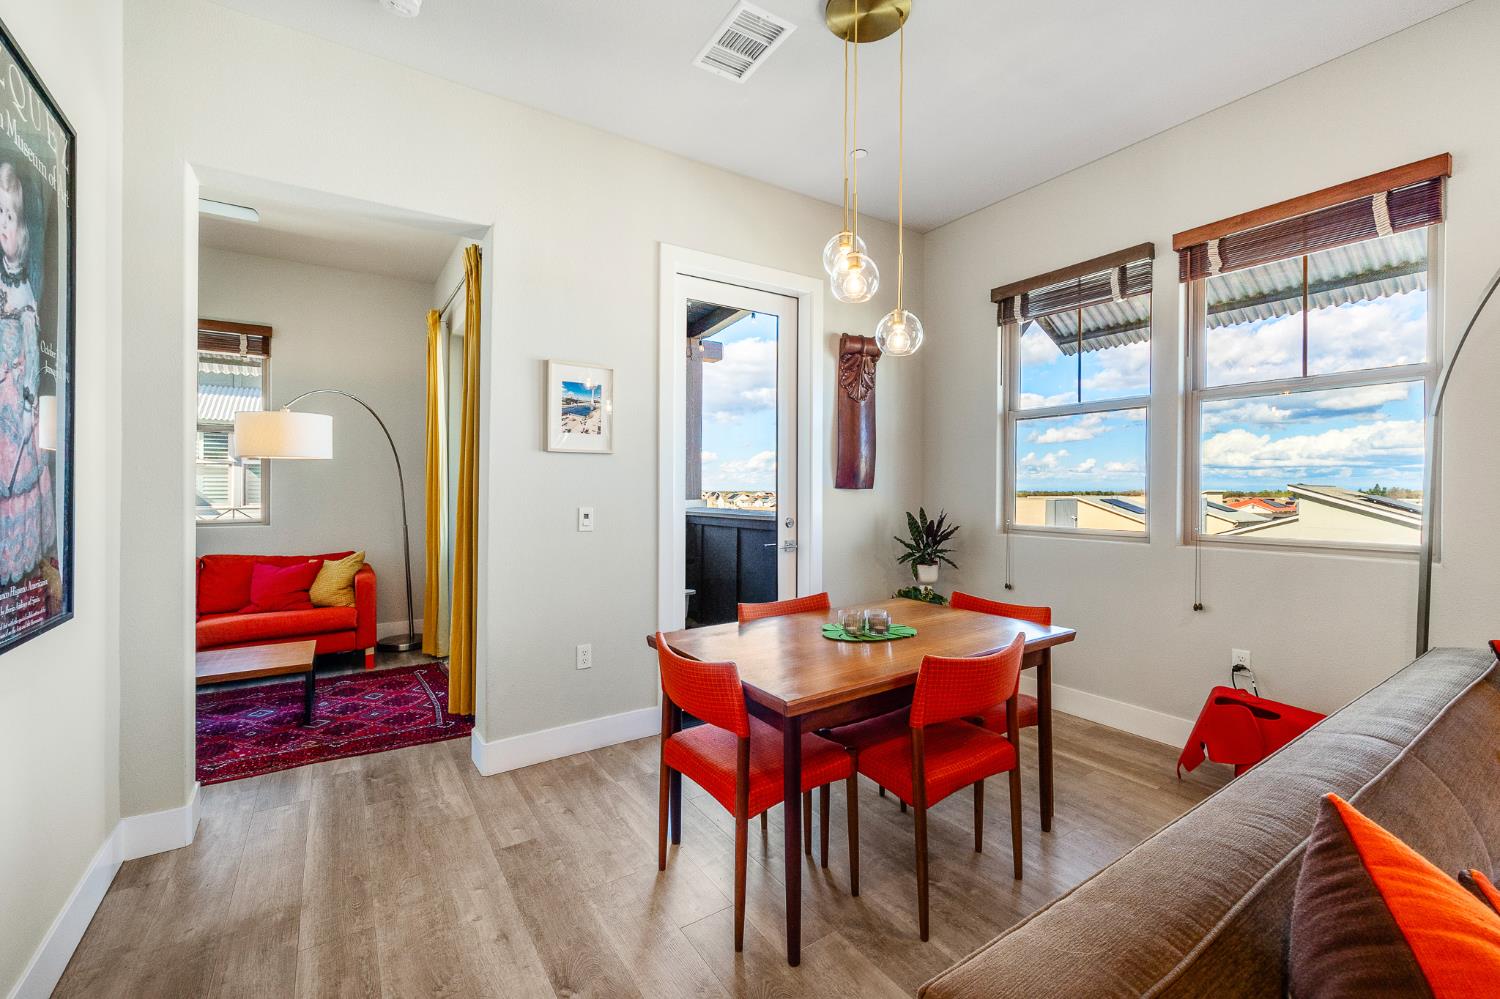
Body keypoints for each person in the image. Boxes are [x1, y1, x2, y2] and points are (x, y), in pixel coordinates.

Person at [0, 161, 54, 589]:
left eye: (10, 215)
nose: (3, 224)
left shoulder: (24, 297)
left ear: (26, 232)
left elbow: (33, 366)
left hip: (15, 419)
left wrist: (25, 409)